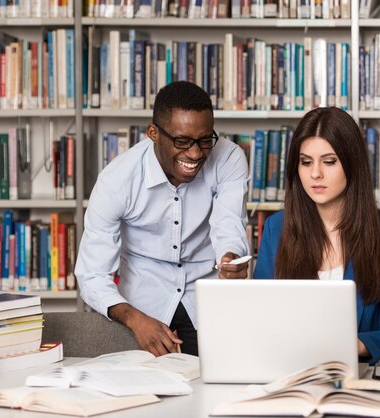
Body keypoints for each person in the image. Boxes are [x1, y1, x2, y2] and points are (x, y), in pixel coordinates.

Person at [75, 81, 250, 357]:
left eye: (205, 140)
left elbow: (228, 222)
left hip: (205, 297)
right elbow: (92, 275)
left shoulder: (229, 158)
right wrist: (134, 319)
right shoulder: (117, 181)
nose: (195, 153)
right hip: (142, 306)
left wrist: (231, 257)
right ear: (153, 133)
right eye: (182, 142)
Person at [253, 107, 380, 364]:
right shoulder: (277, 228)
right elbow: (259, 318)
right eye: (305, 162)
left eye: (329, 162)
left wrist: (356, 345)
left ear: (352, 163)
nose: (315, 173)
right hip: (287, 374)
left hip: (356, 381)